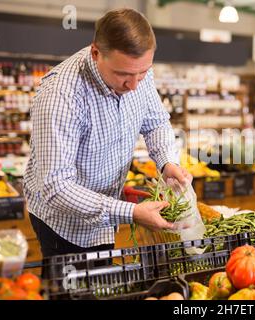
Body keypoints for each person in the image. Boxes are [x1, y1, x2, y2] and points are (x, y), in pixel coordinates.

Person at [24, 8, 192, 257]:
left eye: (142, 73)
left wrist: (167, 162)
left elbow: (156, 122)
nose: (134, 85)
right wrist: (131, 212)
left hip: (106, 213)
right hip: (64, 224)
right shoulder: (61, 96)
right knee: (73, 292)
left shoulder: (135, 69)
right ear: (96, 53)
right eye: (123, 74)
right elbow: (56, 186)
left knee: (102, 284)